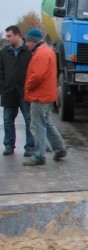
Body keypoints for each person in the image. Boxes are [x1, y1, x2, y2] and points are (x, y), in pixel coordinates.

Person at [22, 29, 67, 166]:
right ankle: (59, 149)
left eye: (27, 41)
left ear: (32, 41)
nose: (26, 45)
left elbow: (37, 76)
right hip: (47, 94)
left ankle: (39, 156)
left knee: (38, 126)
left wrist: (27, 87)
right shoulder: (48, 51)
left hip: (39, 96)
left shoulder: (40, 54)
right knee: (47, 123)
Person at [0, 25, 34, 156]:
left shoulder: (29, 51)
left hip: (25, 91)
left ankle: (30, 147)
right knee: (8, 120)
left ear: (18, 35)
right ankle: (9, 145)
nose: (6, 38)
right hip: (8, 91)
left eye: (9, 36)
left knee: (28, 120)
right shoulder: (4, 52)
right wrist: (2, 85)